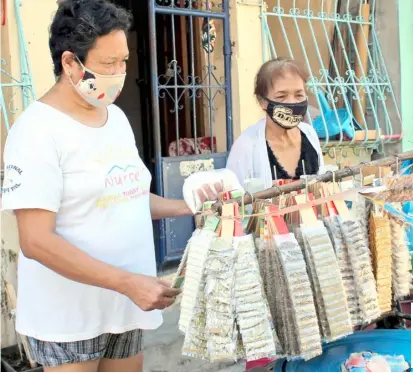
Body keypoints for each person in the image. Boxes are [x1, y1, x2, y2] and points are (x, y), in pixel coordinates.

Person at [1, 1, 220, 371]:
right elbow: (36, 241)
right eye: (108, 64)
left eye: (124, 61)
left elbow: (127, 195)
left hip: (125, 306)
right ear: (70, 62)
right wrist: (126, 282)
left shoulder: (115, 118)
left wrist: (188, 205)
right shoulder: (36, 130)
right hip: (69, 316)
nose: (120, 73)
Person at [226, 57, 324, 189]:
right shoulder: (246, 147)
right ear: (262, 102)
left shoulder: (309, 134)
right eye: (281, 96)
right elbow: (233, 198)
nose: (292, 103)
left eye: (299, 95)